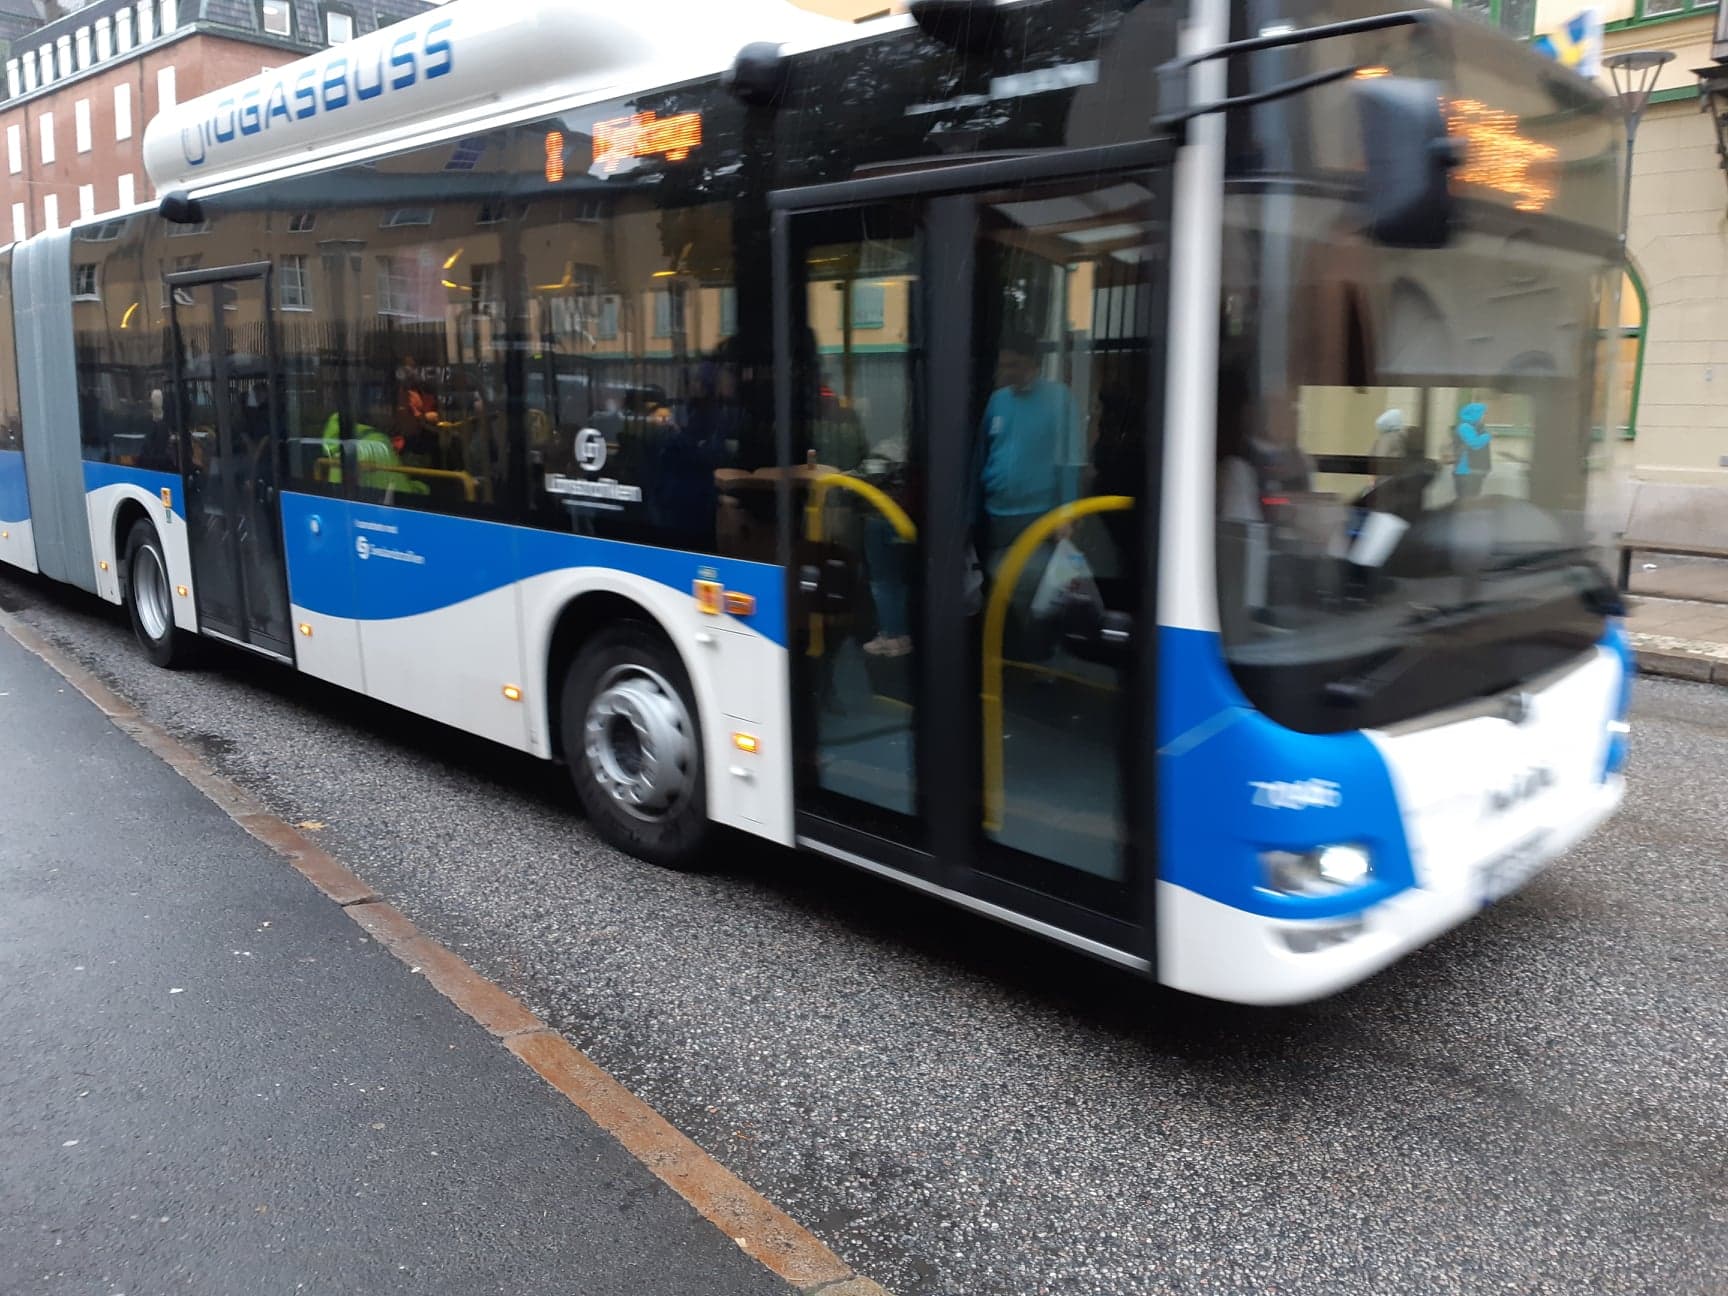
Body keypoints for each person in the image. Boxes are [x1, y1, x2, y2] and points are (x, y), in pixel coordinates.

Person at [978, 333, 1081, 567]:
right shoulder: (997, 400)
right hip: (996, 515)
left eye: (1014, 365)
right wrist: (970, 516)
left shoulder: (1059, 399)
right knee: (997, 579)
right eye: (1003, 365)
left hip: (1039, 517)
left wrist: (1066, 514)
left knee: (1033, 580)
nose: (1006, 372)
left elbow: (1070, 462)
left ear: (1032, 363)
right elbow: (980, 457)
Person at [1452, 400, 1492, 500]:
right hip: (1466, 471)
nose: (1484, 416)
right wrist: (1487, 436)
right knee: (1467, 500)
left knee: (1472, 500)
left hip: (1473, 471)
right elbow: (1475, 444)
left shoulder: (1475, 426)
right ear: (1475, 414)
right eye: (1482, 413)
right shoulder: (1465, 427)